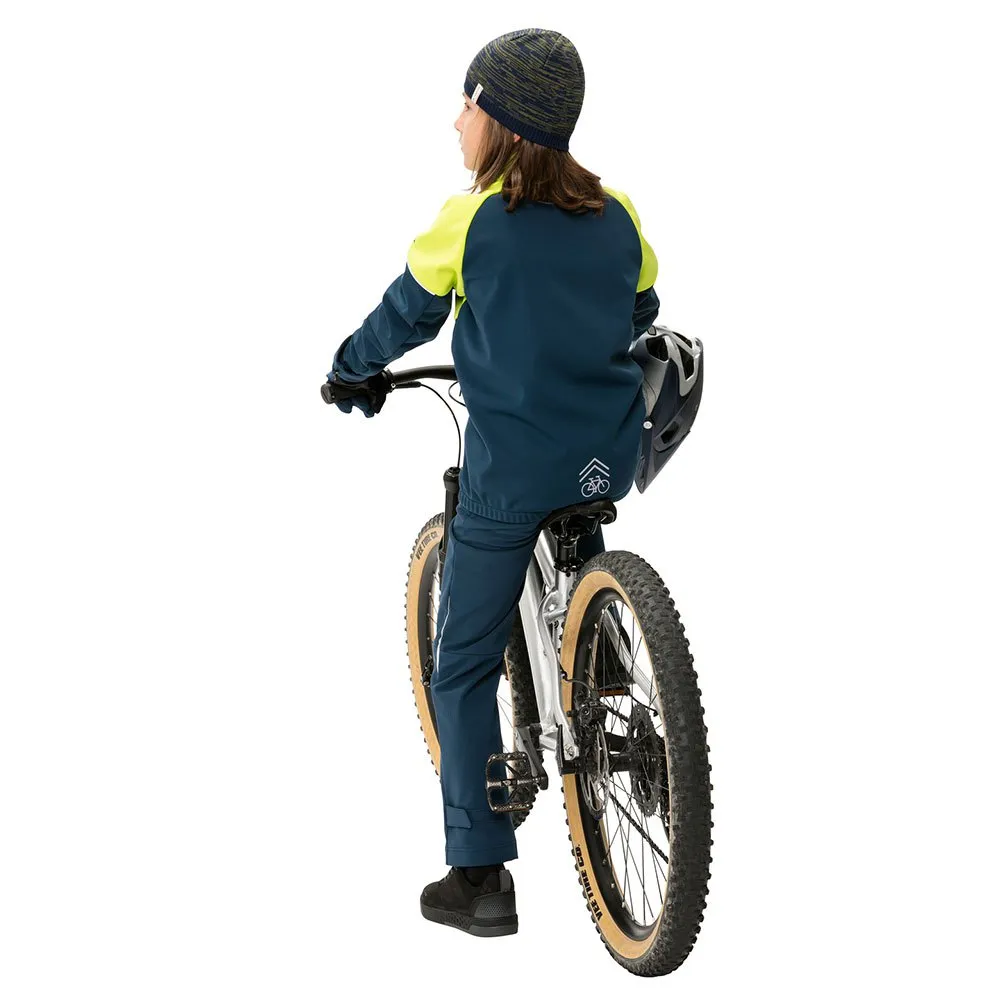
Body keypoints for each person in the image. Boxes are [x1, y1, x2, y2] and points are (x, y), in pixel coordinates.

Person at [326, 27, 660, 937]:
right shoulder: (621, 215)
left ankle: (478, 877)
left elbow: (404, 314)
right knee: (583, 567)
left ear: (506, 121)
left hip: (509, 473)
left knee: (463, 661)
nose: (457, 121)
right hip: (603, 456)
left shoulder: (471, 220)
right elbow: (642, 306)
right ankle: (615, 683)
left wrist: (352, 370)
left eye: (468, 103)